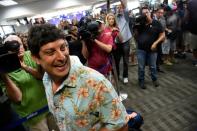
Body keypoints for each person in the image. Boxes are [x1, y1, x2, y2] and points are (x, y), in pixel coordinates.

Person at [27, 24, 133, 131]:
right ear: (36, 58)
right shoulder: (47, 78)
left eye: (63, 48)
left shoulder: (95, 82)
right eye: (50, 52)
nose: (62, 57)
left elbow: (121, 124)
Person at [0, 35, 50, 130]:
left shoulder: (31, 55)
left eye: (19, 44)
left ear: (23, 44)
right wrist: (4, 76)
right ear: (7, 50)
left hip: (49, 106)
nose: (18, 48)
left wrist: (23, 66)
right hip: (32, 116)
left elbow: (42, 76)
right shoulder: (4, 67)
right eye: (12, 47)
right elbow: (17, 98)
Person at [134, 7, 165, 89]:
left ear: (150, 13)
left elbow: (162, 35)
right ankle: (141, 80)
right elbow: (135, 34)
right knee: (141, 67)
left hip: (152, 50)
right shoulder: (140, 24)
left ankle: (154, 79)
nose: (146, 15)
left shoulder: (156, 23)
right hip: (141, 49)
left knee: (153, 66)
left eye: (147, 12)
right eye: (144, 13)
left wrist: (155, 43)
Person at [114, 0, 132, 84]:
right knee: (117, 61)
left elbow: (125, 8)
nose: (119, 9)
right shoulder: (114, 18)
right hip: (117, 43)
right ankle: (117, 76)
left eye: (120, 7)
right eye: (118, 8)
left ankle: (125, 76)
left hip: (125, 42)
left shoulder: (126, 17)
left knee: (125, 60)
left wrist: (122, 3)